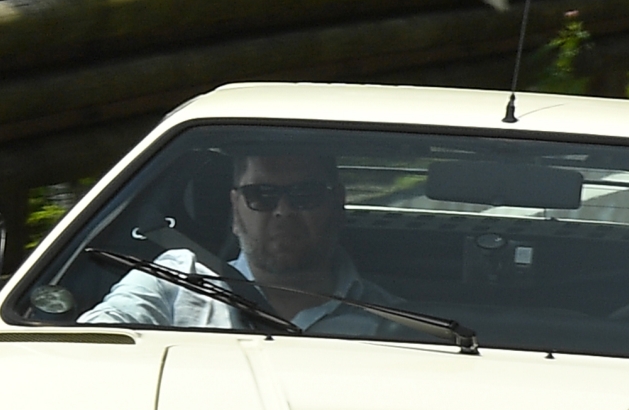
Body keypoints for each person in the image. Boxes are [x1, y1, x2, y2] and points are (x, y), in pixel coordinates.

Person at [80, 143, 405, 334]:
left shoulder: (394, 323)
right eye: (261, 195)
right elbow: (93, 343)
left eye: (305, 194)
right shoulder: (174, 280)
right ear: (235, 210)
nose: (283, 211)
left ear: (337, 204)